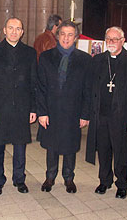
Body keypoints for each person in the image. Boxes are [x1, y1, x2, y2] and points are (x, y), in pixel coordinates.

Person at [85, 26, 127, 199]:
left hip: (122, 116)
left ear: (123, 41)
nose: (111, 42)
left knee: (121, 152)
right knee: (103, 150)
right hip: (101, 114)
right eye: (108, 39)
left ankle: (122, 184)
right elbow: (90, 89)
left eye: (115, 39)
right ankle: (104, 181)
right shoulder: (98, 60)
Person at [0, 17, 37, 196]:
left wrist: (33, 108)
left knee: (20, 146)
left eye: (18, 29)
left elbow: (33, 82)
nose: (14, 31)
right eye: (11, 28)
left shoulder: (29, 53)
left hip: (22, 107)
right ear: (4, 30)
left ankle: (19, 179)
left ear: (22, 32)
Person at [37, 21, 92, 194]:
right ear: (57, 35)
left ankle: (69, 178)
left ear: (76, 37)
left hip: (73, 110)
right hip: (51, 110)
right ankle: (50, 177)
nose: (66, 38)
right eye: (63, 34)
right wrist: (42, 112)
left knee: (70, 146)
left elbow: (87, 90)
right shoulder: (46, 57)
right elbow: (40, 87)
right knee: (52, 146)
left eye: (70, 35)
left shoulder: (85, 59)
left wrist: (85, 114)